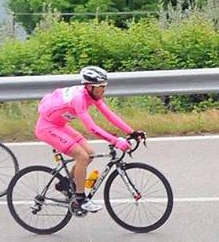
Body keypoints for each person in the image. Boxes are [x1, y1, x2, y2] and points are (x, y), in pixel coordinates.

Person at [35, 65, 144, 213]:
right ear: (90, 87)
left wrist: (131, 132)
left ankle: (65, 184)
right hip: (47, 128)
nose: (104, 90)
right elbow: (92, 128)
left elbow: (109, 115)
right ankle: (80, 199)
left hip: (59, 125)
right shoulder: (79, 99)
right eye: (101, 87)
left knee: (90, 154)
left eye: (105, 86)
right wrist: (115, 141)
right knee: (82, 156)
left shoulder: (92, 95)